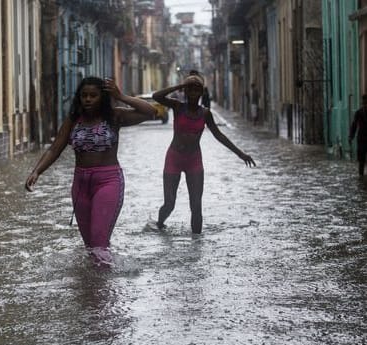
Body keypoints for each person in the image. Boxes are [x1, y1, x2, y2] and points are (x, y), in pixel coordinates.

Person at [25, 76, 156, 265]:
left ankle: (102, 289)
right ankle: (90, 288)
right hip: (80, 186)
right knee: (90, 247)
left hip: (108, 182)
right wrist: (37, 171)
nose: (87, 99)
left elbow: (150, 112)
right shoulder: (73, 121)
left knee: (99, 244)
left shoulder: (115, 116)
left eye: (93, 95)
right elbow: (55, 148)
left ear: (102, 98)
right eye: (84, 95)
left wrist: (121, 96)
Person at [152, 70, 256, 234]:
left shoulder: (205, 113)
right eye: (190, 89)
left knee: (196, 205)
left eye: (196, 89)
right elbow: (156, 96)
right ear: (185, 91)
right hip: (174, 158)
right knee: (170, 203)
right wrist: (180, 85)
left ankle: (197, 244)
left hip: (194, 160)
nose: (193, 93)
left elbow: (219, 135)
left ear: (201, 92)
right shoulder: (178, 107)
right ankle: (159, 224)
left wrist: (240, 153)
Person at [349, 94, 367, 177]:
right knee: (361, 160)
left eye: (366, 103)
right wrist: (351, 136)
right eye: (364, 103)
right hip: (361, 139)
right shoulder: (358, 113)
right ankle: (361, 176)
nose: (365, 104)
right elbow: (354, 125)